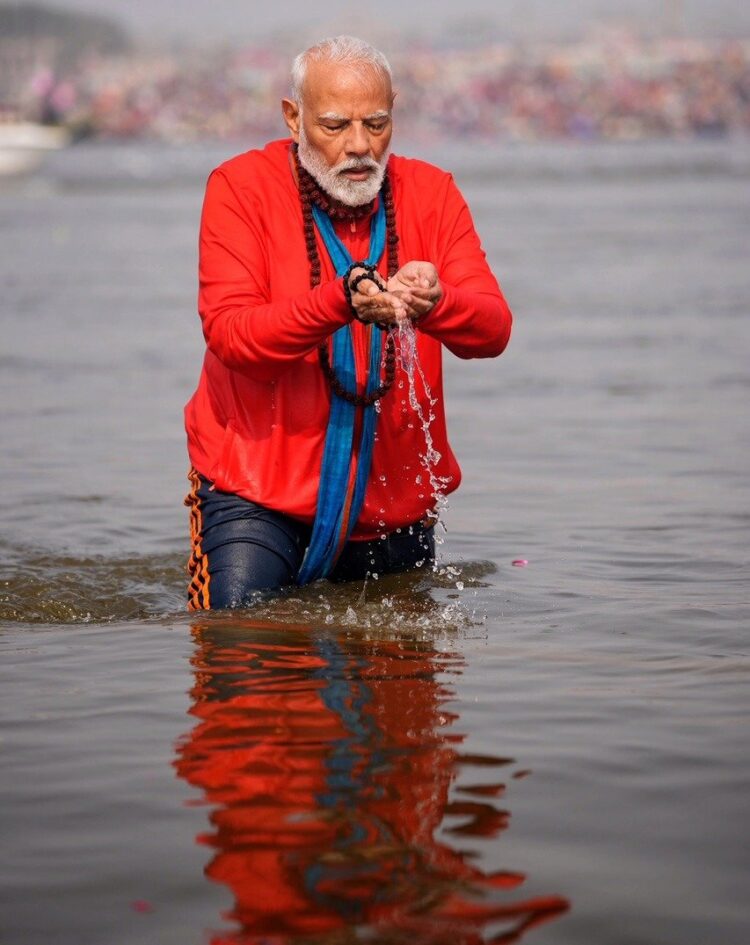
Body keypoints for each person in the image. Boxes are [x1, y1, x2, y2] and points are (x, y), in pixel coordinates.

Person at [184, 35, 512, 610]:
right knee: (238, 643)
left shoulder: (432, 191)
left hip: (392, 502)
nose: (360, 146)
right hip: (254, 493)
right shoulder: (239, 187)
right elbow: (234, 337)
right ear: (294, 118)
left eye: (376, 124)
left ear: (394, 113)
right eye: (334, 126)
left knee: (402, 662)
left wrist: (436, 302)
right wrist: (340, 300)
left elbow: (494, 329)